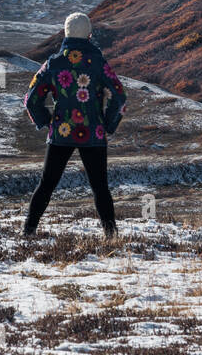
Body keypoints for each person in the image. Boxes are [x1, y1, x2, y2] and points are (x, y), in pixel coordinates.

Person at [22, 12, 127, 237]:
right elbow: (119, 97)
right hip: (94, 133)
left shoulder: (53, 63)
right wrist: (107, 124)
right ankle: (111, 235)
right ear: (89, 34)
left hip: (61, 131)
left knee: (47, 184)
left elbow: (30, 99)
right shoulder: (98, 62)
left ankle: (28, 231)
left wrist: (46, 121)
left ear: (66, 33)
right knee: (100, 187)